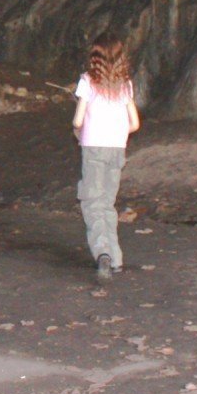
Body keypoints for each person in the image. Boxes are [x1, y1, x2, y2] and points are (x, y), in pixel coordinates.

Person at [71, 36, 140, 282]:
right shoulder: (126, 86)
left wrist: (79, 131)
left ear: (95, 59)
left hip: (93, 150)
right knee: (107, 203)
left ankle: (103, 253)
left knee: (92, 202)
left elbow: (78, 121)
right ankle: (116, 258)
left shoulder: (87, 82)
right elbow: (134, 124)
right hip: (116, 150)